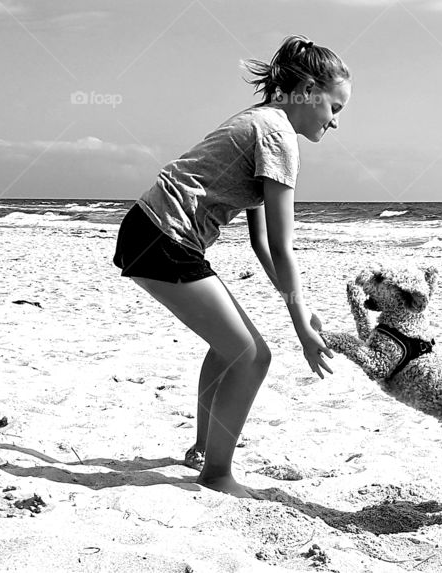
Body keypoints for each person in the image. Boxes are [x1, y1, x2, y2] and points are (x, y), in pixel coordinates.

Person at [113, 34, 351, 498]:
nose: (336, 122)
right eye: (335, 108)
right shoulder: (279, 135)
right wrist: (301, 328)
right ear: (306, 91)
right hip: (164, 237)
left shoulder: (261, 123)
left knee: (231, 348)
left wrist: (300, 311)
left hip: (151, 231)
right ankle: (217, 475)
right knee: (252, 355)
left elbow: (262, 243)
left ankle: (204, 448)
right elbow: (284, 247)